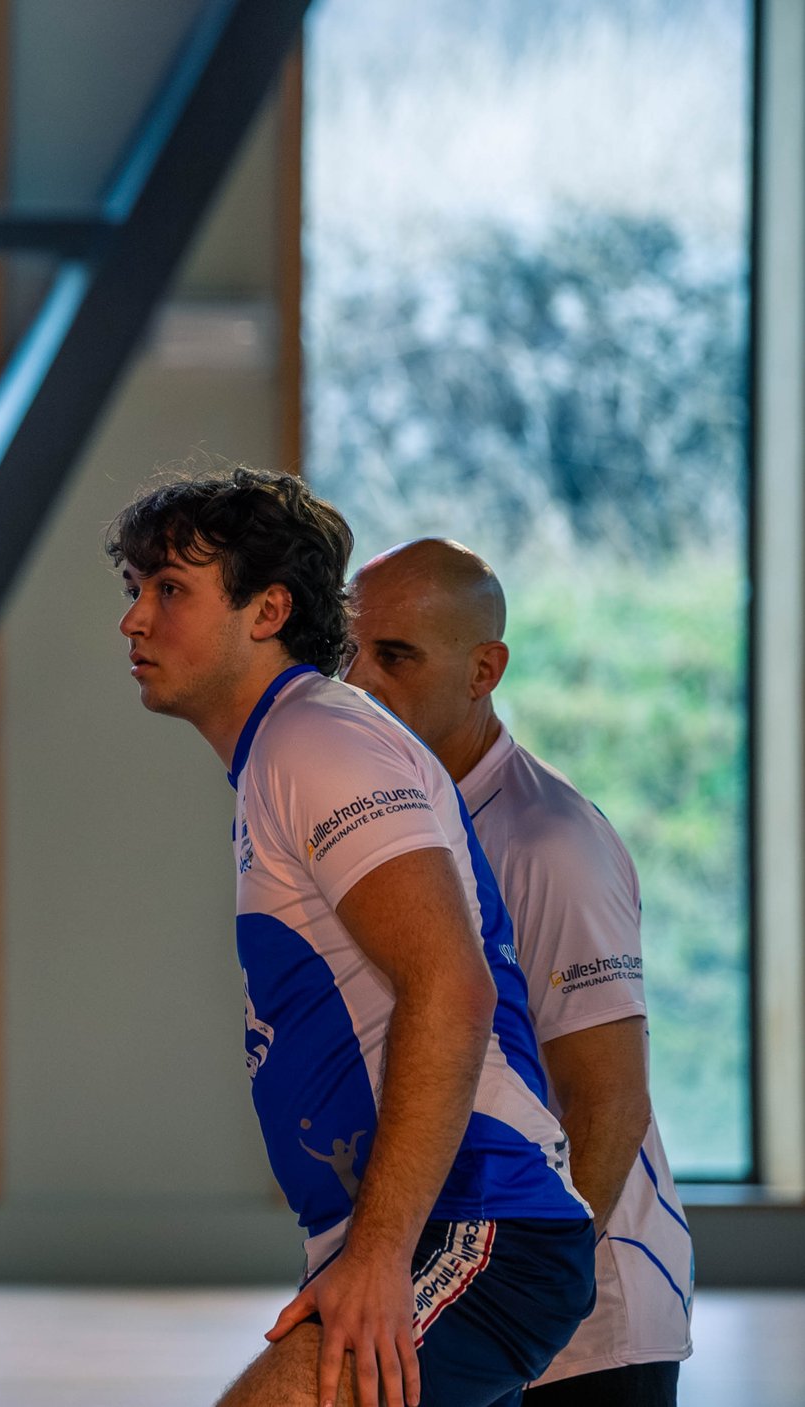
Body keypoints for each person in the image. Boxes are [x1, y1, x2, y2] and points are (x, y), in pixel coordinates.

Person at [107, 465, 594, 1407]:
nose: (133, 620)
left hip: (477, 1221)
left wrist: (375, 1255)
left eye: (169, 590)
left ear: (268, 609)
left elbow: (451, 985)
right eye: (135, 589)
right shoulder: (283, 750)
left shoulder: (317, 740)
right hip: (418, 1228)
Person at [348, 539, 692, 1405]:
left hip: (581, 1331)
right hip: (467, 1289)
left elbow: (608, 1100)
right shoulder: (407, 818)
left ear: (484, 670)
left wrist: (532, 1304)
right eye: (348, 651)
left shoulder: (549, 844)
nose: (358, 682)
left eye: (395, 656)